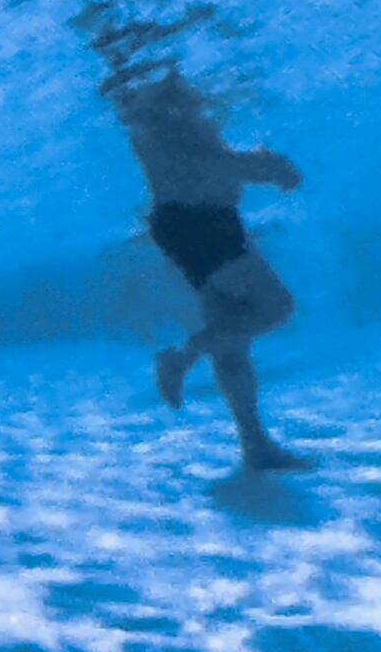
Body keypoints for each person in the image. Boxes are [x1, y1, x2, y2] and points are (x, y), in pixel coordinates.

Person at [113, 71, 310, 471]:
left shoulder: (153, 107)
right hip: (199, 224)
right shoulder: (156, 106)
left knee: (232, 339)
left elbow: (200, 162)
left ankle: (255, 445)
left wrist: (257, 167)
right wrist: (267, 168)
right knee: (275, 307)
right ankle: (182, 358)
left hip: (202, 221)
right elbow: (203, 165)